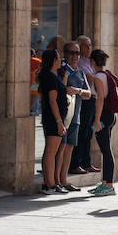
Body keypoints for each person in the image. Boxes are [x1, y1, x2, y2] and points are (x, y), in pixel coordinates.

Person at [58, 42, 89, 191]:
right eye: (72, 53)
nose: (75, 56)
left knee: (69, 147)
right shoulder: (62, 70)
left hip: (75, 116)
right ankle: (56, 180)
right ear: (65, 54)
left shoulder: (81, 72)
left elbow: (89, 94)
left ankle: (64, 180)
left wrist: (78, 91)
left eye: (77, 53)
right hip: (63, 116)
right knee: (61, 148)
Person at [87, 49, 118, 196]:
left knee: (105, 149)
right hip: (109, 116)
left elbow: (100, 99)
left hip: (103, 116)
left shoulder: (98, 77)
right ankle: (105, 182)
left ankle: (109, 184)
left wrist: (97, 120)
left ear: (93, 61)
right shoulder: (106, 74)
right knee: (106, 148)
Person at [37, 48, 68, 193]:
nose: (61, 58)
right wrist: (58, 121)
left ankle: (49, 183)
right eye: (58, 56)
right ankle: (49, 184)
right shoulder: (49, 77)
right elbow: (52, 101)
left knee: (51, 151)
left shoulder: (53, 75)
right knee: (51, 151)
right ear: (53, 60)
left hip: (53, 118)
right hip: (52, 118)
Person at [70, 36, 99, 174]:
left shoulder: (89, 62)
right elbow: (92, 80)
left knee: (88, 132)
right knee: (82, 132)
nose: (89, 48)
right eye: (85, 46)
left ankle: (86, 162)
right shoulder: (80, 63)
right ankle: (77, 162)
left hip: (92, 100)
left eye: (90, 45)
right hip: (85, 102)